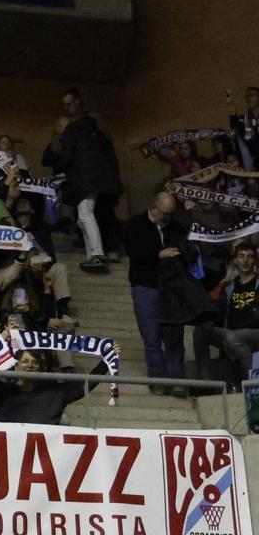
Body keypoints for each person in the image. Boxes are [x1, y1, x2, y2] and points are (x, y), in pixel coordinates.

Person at [124, 191, 197, 396]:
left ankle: (176, 380)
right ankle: (157, 379)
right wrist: (158, 254)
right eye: (163, 213)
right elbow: (133, 252)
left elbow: (188, 251)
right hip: (146, 285)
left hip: (172, 287)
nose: (166, 217)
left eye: (169, 214)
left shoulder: (175, 227)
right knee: (151, 335)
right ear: (154, 207)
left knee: (174, 334)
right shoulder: (135, 225)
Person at [42, 87, 123, 270]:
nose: (67, 108)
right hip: (99, 180)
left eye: (69, 104)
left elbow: (66, 157)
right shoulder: (94, 132)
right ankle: (93, 254)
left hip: (85, 180)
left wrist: (58, 174)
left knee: (85, 214)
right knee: (83, 216)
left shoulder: (72, 130)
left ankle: (96, 255)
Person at [214, 242, 259, 376]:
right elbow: (209, 303)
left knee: (232, 337)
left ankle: (255, 378)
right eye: (241, 256)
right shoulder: (229, 286)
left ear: (255, 261)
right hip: (231, 333)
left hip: (255, 332)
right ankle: (204, 381)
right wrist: (220, 285)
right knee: (201, 332)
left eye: (250, 257)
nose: (245, 261)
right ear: (235, 260)